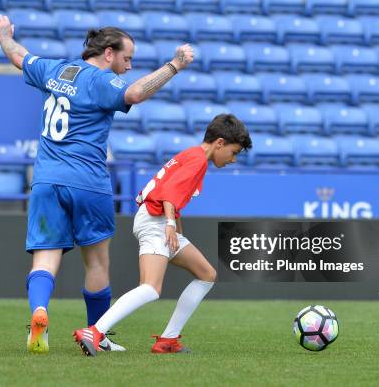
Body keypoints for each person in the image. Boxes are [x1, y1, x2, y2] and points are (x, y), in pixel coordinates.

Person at [0, 15, 194, 354]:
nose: (128, 66)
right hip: (87, 182)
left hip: (45, 181)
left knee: (44, 258)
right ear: (109, 53)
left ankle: (39, 312)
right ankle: (97, 334)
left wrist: (3, 36)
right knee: (97, 262)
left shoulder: (54, 70)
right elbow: (136, 93)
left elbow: (17, 56)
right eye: (127, 58)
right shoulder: (101, 81)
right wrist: (174, 65)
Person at [73, 114, 252, 356]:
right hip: (155, 221)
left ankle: (168, 340)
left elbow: (173, 193)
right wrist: (169, 223)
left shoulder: (193, 156)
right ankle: (94, 332)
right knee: (150, 288)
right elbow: (169, 194)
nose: (233, 159)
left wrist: (176, 227)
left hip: (158, 220)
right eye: (233, 152)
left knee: (206, 274)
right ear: (220, 143)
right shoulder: (197, 160)